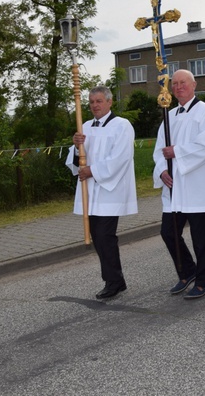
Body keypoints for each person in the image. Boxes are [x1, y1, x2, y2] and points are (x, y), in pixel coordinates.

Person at [154, 69, 205, 300]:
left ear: (194, 85)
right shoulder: (169, 116)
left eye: (184, 83)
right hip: (174, 187)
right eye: (175, 84)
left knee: (200, 237)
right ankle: (187, 272)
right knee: (168, 232)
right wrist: (161, 169)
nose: (179, 86)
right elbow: (159, 149)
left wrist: (178, 152)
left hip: (196, 185)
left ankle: (204, 281)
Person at [67, 86, 137, 299]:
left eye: (98, 101)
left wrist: (93, 171)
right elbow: (76, 159)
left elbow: (121, 157)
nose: (94, 105)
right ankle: (116, 279)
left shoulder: (122, 125)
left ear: (109, 102)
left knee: (104, 236)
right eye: (91, 102)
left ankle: (113, 282)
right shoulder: (85, 126)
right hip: (91, 192)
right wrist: (75, 145)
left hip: (110, 190)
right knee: (97, 236)